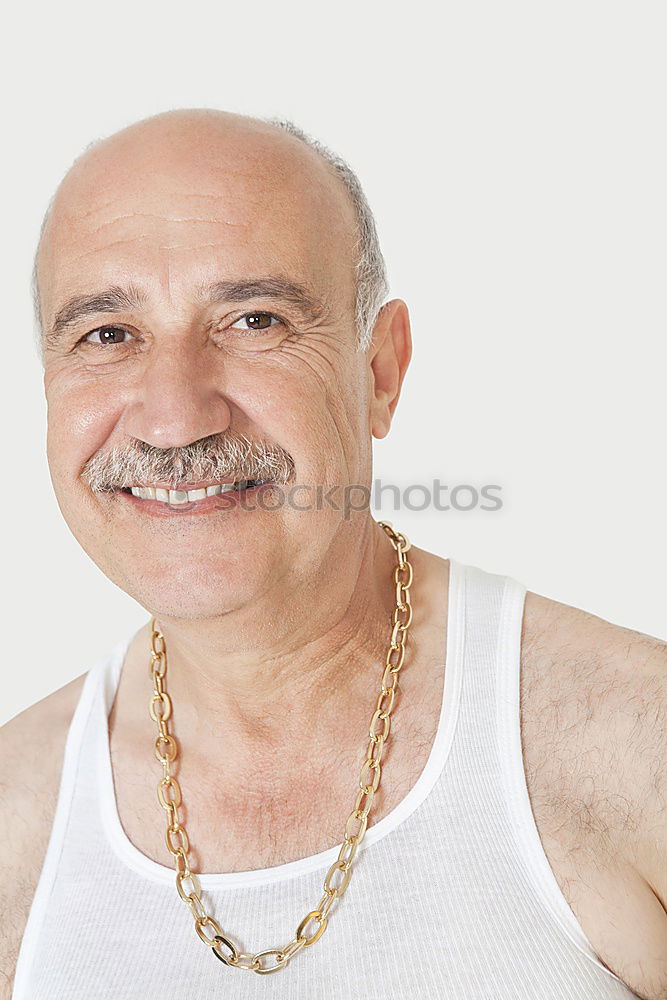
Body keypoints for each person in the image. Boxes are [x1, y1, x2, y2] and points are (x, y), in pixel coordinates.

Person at [0, 108, 664, 1000]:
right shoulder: (16, 829)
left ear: (380, 373)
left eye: (253, 319)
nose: (172, 415)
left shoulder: (627, 740)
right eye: (107, 335)